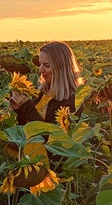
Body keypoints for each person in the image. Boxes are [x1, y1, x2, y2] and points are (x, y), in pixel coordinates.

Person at [9, 41, 84, 170]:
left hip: (48, 169)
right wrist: (20, 109)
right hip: (28, 162)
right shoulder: (42, 92)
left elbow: (52, 138)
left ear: (61, 67)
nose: (40, 69)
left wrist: (27, 106)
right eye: (40, 64)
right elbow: (28, 127)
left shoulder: (71, 100)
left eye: (47, 65)